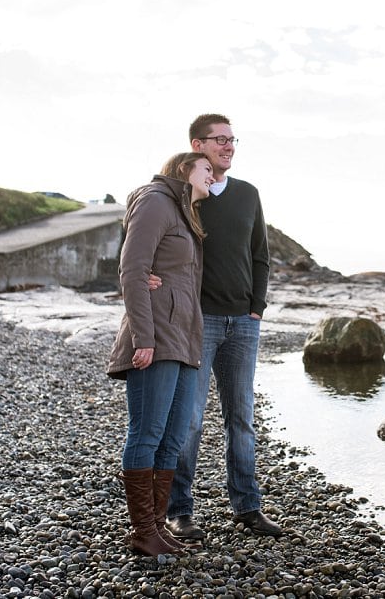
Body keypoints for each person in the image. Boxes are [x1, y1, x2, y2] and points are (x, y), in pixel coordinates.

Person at [165, 113, 281, 540]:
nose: (228, 146)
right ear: (198, 145)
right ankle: (179, 511)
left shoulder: (248, 194)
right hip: (199, 322)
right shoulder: (184, 194)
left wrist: (257, 307)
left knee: (242, 417)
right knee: (190, 420)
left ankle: (247, 507)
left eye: (233, 140)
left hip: (243, 324)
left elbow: (260, 255)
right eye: (220, 140)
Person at [107, 152, 213, 555]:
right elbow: (132, 268)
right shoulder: (155, 200)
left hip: (183, 339)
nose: (212, 175)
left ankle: (156, 527)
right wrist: (144, 337)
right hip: (157, 335)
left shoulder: (184, 212)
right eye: (206, 168)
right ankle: (142, 533)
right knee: (147, 433)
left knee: (172, 438)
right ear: (185, 169)